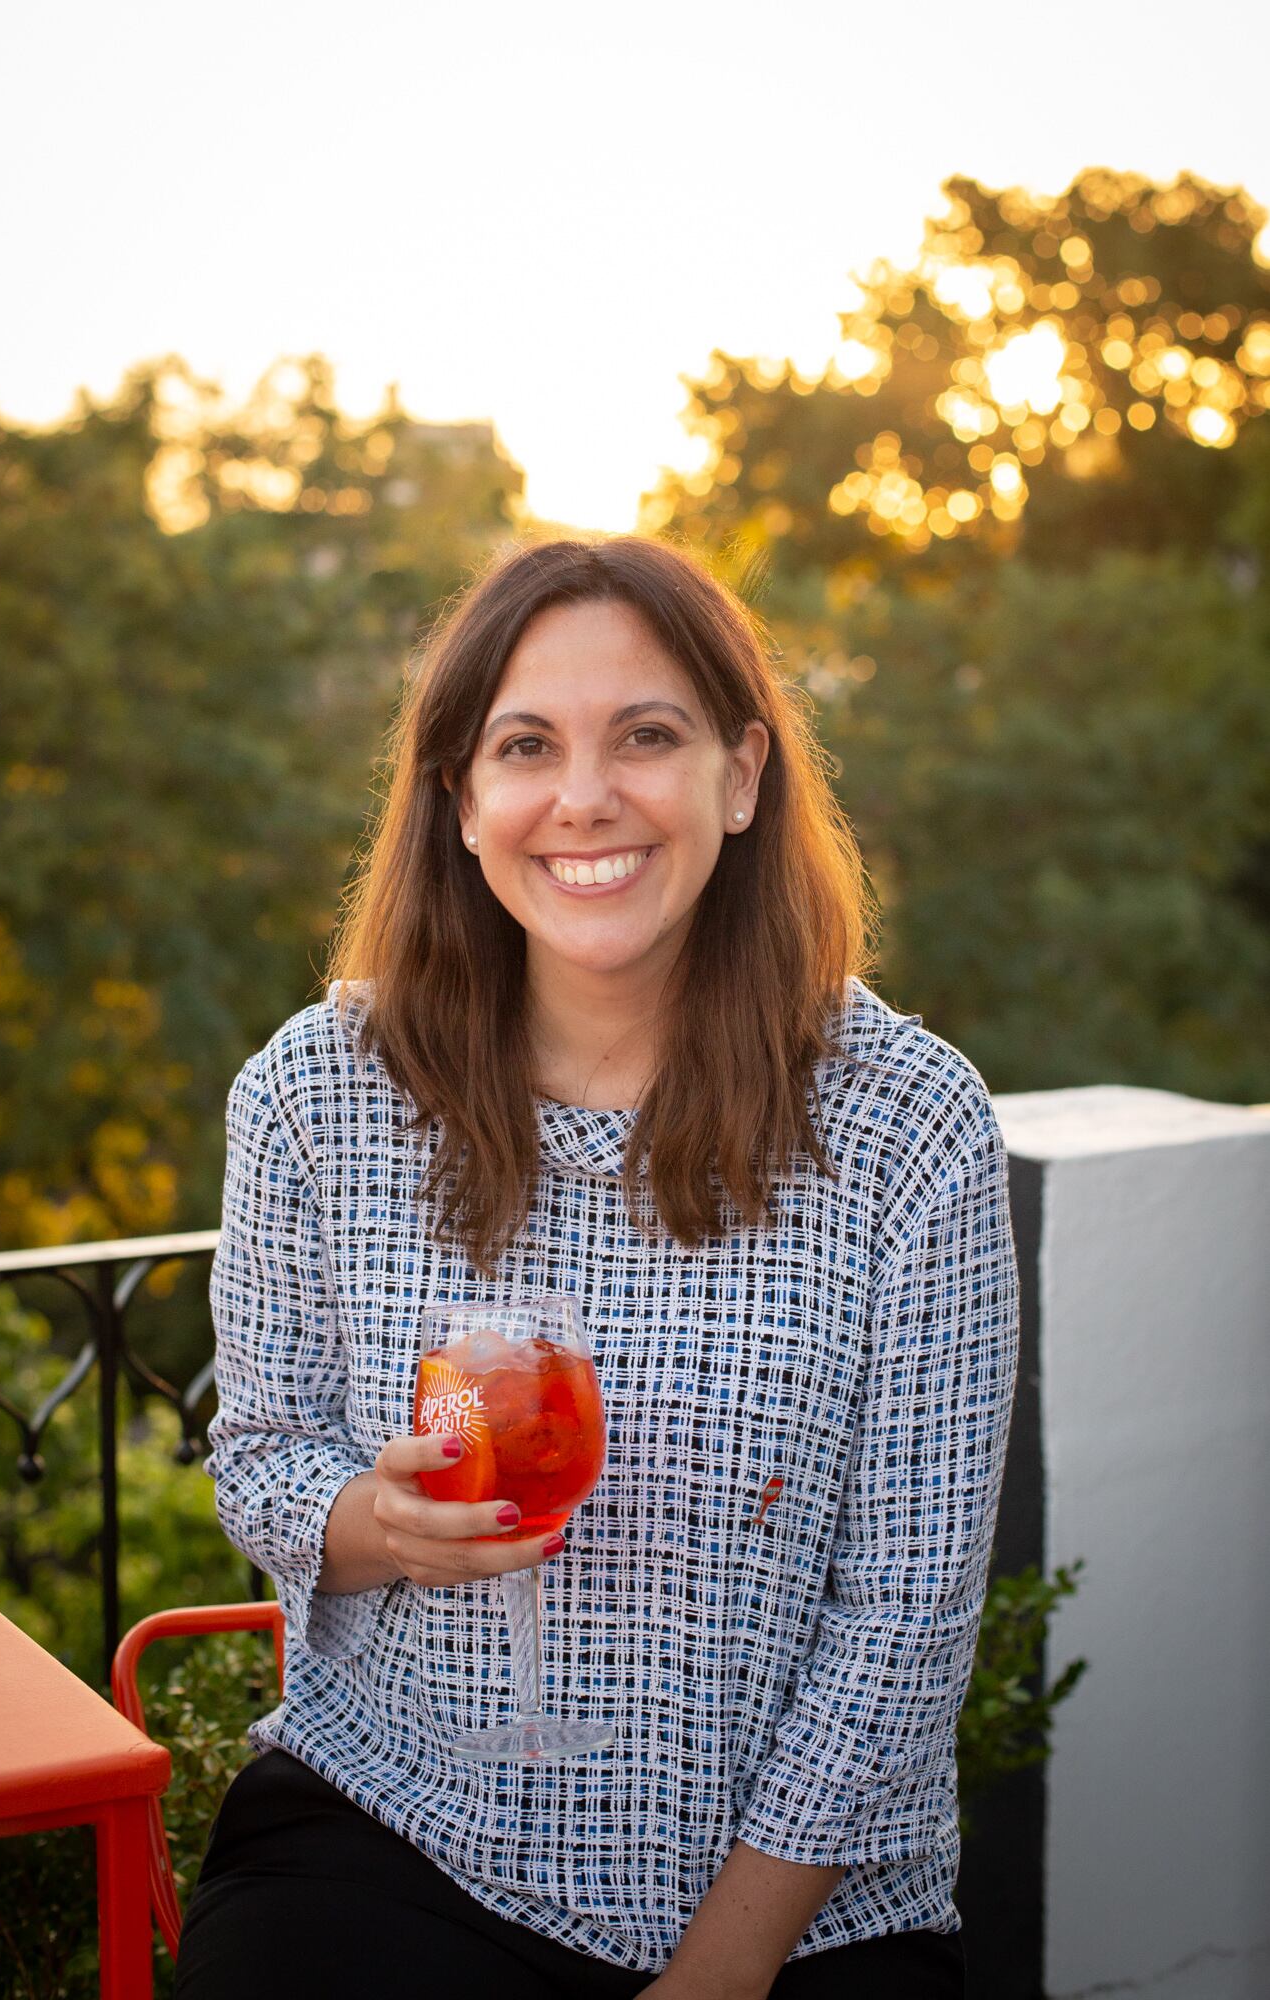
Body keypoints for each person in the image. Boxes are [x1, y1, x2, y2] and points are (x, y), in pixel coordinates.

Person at [173, 535, 1019, 2000]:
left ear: (739, 776)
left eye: (646, 735)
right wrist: (377, 1519)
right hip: (396, 1829)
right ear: (461, 801)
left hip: (806, 1906)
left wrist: (722, 1968)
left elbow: (906, 1611)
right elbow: (257, 1457)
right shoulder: (317, 1093)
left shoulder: (905, 1124)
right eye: (524, 746)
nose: (583, 797)